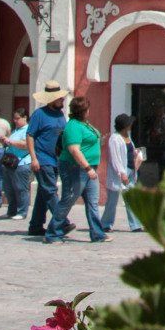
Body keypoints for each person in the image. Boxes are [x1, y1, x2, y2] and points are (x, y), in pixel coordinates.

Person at [46, 97, 107, 245]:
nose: (89, 111)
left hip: (89, 167)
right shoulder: (73, 126)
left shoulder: (85, 124)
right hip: (75, 168)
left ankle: (97, 234)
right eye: (87, 109)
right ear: (82, 111)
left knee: (92, 202)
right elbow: (74, 150)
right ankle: (53, 233)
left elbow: (87, 143)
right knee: (68, 199)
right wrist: (87, 168)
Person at [25, 81, 69, 238]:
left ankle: (35, 226)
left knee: (43, 193)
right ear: (51, 99)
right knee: (50, 191)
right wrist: (34, 158)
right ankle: (62, 222)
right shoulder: (39, 114)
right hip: (42, 159)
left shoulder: (60, 115)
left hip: (56, 159)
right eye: (59, 98)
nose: (62, 100)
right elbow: (30, 136)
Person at [101, 112, 141, 231]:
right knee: (112, 200)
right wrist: (121, 173)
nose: (131, 125)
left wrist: (136, 153)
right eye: (129, 123)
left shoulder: (127, 136)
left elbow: (129, 150)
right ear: (125, 125)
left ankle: (135, 225)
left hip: (130, 170)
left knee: (131, 198)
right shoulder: (115, 139)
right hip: (121, 172)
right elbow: (115, 158)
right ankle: (105, 224)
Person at [3, 107, 32, 218]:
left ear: (25, 118)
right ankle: (12, 211)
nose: (15, 120)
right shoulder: (15, 130)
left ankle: (22, 212)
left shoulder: (27, 130)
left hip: (21, 163)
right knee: (9, 189)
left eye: (17, 118)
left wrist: (10, 141)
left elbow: (26, 145)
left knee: (21, 188)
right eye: (14, 118)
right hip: (10, 163)